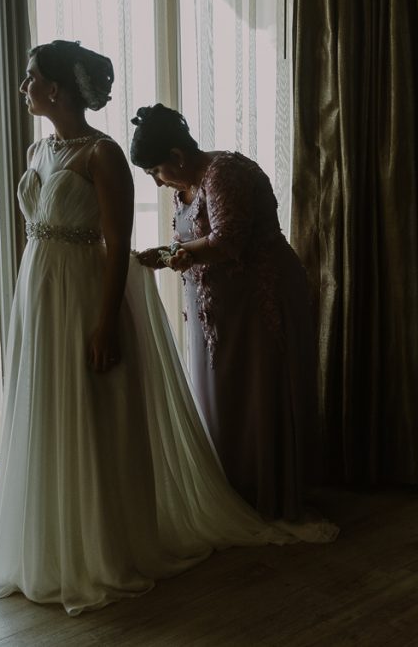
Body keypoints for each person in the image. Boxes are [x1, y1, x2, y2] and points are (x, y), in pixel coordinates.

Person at [0, 41, 331, 618]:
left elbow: (119, 243)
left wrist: (106, 323)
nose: (24, 86)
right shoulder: (39, 150)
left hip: (85, 293)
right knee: (45, 405)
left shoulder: (104, 154)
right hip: (38, 294)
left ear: (57, 88)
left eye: (31, 76)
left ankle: (100, 544)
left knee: (92, 410)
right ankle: (47, 538)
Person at [131, 104, 321, 523]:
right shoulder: (184, 185)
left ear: (177, 156)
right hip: (216, 309)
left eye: (156, 171)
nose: (157, 182)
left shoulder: (224, 173)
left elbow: (228, 240)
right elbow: (191, 244)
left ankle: (263, 492)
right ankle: (229, 492)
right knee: (219, 394)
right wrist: (167, 256)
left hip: (258, 300)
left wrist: (166, 255)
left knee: (255, 390)